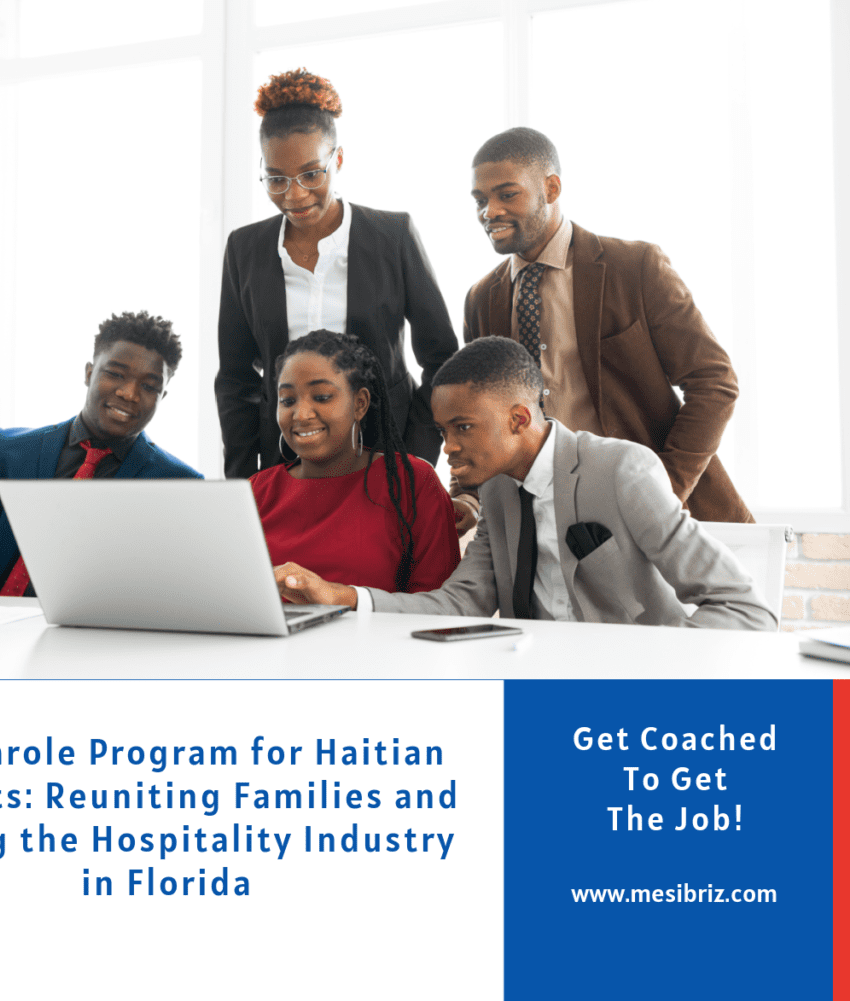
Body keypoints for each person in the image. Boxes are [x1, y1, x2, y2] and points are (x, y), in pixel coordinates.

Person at [275, 338, 776, 631]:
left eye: (463, 428)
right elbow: (460, 603)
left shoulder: (623, 471)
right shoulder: (496, 492)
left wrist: (649, 670)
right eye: (443, 431)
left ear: (518, 418)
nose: (447, 447)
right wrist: (339, 595)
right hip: (533, 686)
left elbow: (745, 608)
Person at [449, 127, 750, 535]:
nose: (490, 211)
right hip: (542, 525)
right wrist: (468, 495)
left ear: (551, 188)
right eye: (480, 200)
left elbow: (714, 382)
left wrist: (663, 490)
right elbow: (477, 415)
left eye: (507, 194)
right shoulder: (482, 299)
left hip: (659, 519)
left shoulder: (635, 267)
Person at [215, 67, 458, 479]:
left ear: (338, 159)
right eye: (275, 179)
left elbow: (442, 360)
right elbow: (236, 378)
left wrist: (412, 458)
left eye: (312, 174)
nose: (294, 194)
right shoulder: (245, 249)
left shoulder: (391, 236)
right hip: (286, 464)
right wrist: (243, 480)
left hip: (384, 458)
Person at [0, 311, 201, 605]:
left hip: (94, 650)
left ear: (163, 397)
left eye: (149, 385)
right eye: (116, 374)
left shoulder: (181, 486)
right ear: (89, 373)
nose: (129, 393)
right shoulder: (4, 451)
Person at [252, 330, 460, 598]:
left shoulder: (412, 483)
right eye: (288, 401)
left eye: (322, 397)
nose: (301, 415)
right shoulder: (256, 492)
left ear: (360, 404)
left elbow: (439, 607)